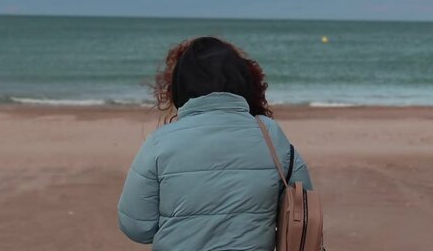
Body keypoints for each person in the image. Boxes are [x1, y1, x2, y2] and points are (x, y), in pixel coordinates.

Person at [118, 36, 313, 250]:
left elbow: (136, 227)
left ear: (181, 87)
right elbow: (303, 207)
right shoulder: (270, 133)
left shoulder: (160, 142)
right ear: (243, 82)